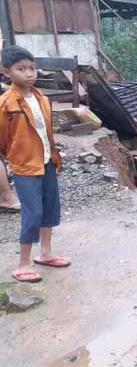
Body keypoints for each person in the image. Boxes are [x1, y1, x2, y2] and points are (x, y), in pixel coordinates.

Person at [0, 45, 70, 282]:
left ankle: (46, 253)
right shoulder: (6, 103)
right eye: (22, 69)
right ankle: (22, 264)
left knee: (50, 208)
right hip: (25, 166)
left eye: (32, 68)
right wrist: (12, 158)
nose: (29, 74)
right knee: (33, 212)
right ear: (6, 72)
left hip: (47, 161)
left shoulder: (40, 96)